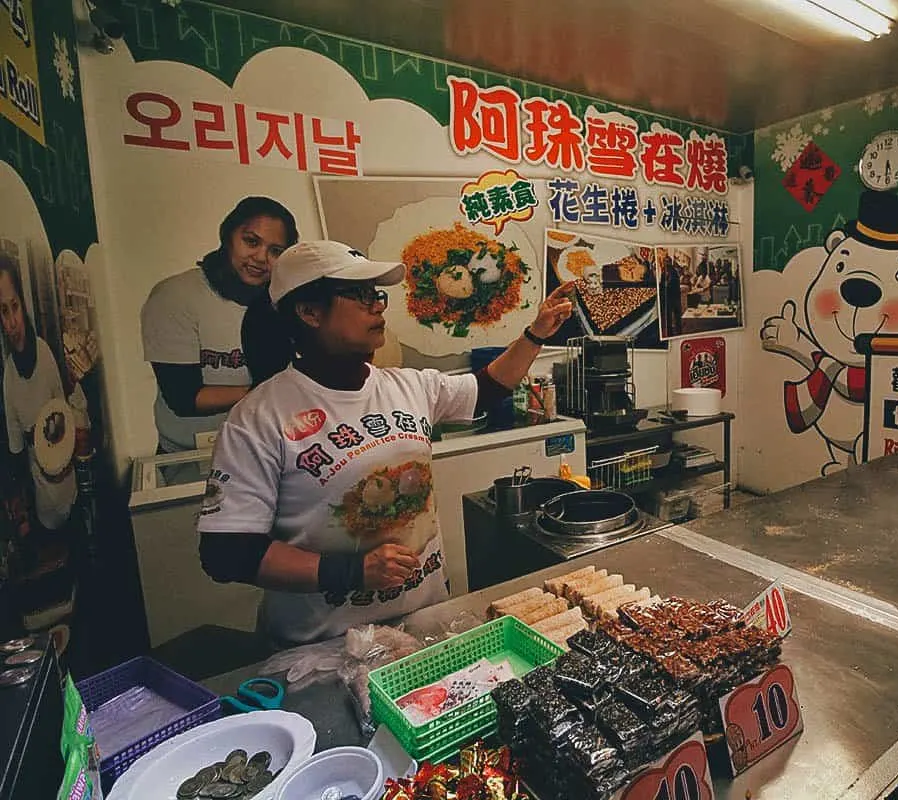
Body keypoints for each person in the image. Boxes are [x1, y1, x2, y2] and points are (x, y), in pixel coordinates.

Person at [197, 241, 575, 645]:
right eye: (359, 295)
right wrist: (350, 572)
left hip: (424, 623)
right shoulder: (258, 417)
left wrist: (536, 334)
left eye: (376, 294)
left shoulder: (407, 385)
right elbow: (227, 552)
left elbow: (487, 388)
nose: (377, 306)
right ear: (309, 312)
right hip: (321, 644)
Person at [141, 197, 298, 454]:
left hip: (265, 447)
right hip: (190, 455)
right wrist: (270, 391)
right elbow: (183, 397)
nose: (261, 258)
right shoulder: (175, 296)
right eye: (251, 241)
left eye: (275, 251)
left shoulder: (283, 300)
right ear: (227, 236)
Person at [0, 254, 76, 533]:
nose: (11, 323)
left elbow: (65, 412)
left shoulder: (44, 353)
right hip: (42, 499)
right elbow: (16, 447)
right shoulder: (8, 376)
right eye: (2, 313)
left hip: (68, 485)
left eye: (14, 308)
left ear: (23, 304)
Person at [660, 256, 683, 337]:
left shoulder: (674, 272)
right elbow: (662, 285)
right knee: (668, 318)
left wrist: (667, 284)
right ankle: (670, 334)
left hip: (675, 297)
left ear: (670, 262)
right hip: (668, 298)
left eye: (667, 261)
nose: (666, 263)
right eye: (665, 262)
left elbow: (674, 285)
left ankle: (679, 333)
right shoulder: (663, 273)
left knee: (677, 317)